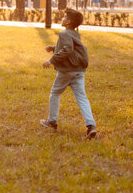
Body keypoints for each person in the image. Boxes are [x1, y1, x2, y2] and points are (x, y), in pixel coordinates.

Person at [40, 8, 97, 139]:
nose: (62, 18)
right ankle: (91, 125)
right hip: (79, 71)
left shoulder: (64, 33)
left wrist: (51, 60)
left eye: (65, 17)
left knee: (55, 93)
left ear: (69, 22)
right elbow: (71, 46)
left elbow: (68, 49)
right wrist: (54, 48)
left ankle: (52, 121)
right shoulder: (74, 33)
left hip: (67, 71)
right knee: (82, 97)